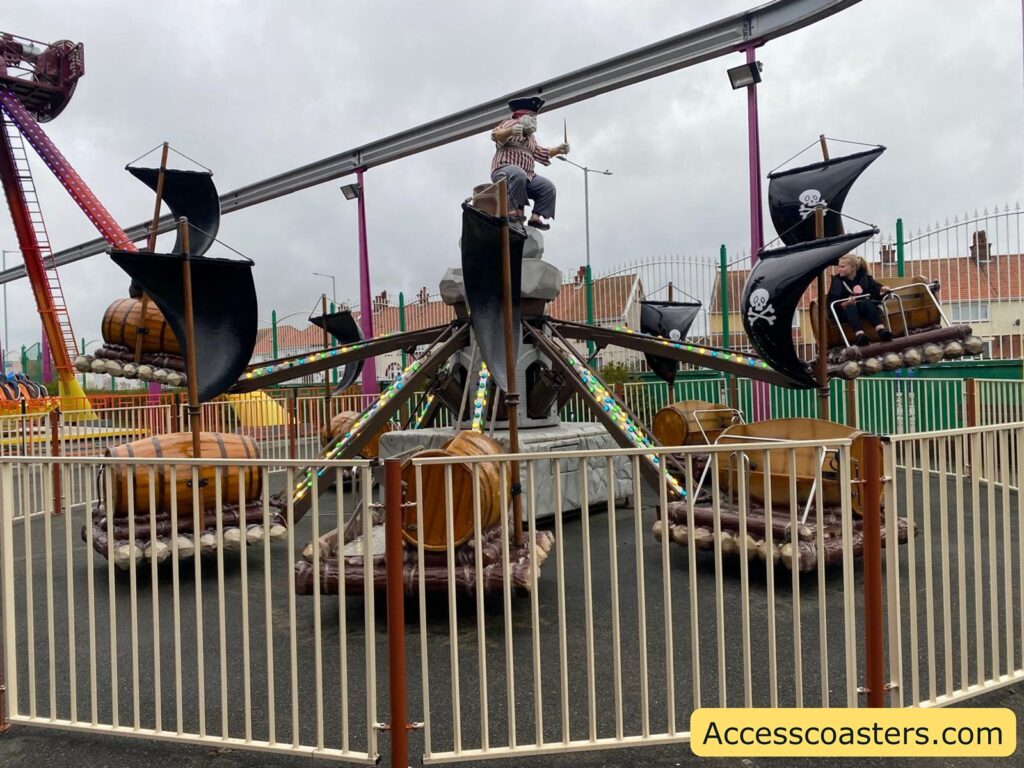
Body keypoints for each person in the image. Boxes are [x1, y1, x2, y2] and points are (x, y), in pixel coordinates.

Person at [490, 96, 570, 230]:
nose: (534, 122)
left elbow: (539, 152)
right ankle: (514, 209)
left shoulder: (531, 137)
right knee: (518, 174)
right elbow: (495, 135)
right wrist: (510, 131)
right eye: (531, 118)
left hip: (527, 177)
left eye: (535, 118)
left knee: (547, 187)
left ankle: (535, 217)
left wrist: (558, 150)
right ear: (521, 117)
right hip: (504, 172)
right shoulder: (510, 123)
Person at [828, 254, 894, 346]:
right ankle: (860, 335)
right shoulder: (838, 281)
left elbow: (875, 288)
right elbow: (831, 301)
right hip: (847, 313)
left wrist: (882, 289)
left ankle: (881, 330)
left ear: (853, 267)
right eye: (839, 267)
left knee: (867, 303)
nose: (839, 269)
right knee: (851, 307)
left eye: (842, 267)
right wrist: (843, 304)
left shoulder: (864, 277)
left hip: (865, 310)